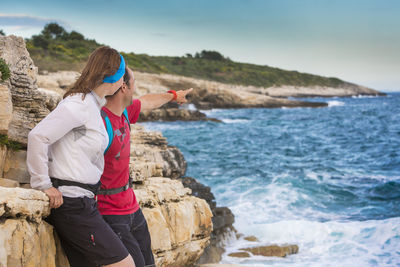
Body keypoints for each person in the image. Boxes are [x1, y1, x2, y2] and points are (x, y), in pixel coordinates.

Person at [27, 46, 136, 267]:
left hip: (85, 203)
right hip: (72, 204)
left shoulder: (93, 105)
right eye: (122, 76)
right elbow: (38, 136)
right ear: (114, 78)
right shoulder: (78, 104)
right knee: (125, 264)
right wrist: (43, 184)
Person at [97, 66, 192, 267]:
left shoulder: (124, 111)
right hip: (110, 212)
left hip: (132, 207)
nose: (135, 88)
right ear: (123, 87)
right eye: (134, 84)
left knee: (149, 264)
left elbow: (147, 101)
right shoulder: (100, 121)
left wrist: (173, 96)